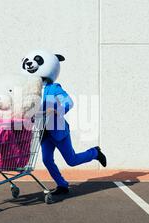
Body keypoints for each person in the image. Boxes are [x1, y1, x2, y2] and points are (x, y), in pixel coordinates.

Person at [20, 49, 107, 195]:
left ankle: (95, 153)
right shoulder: (30, 93)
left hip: (58, 130)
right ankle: (62, 184)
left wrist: (57, 110)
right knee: (47, 160)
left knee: (71, 160)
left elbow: (68, 102)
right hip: (43, 133)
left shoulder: (53, 88)